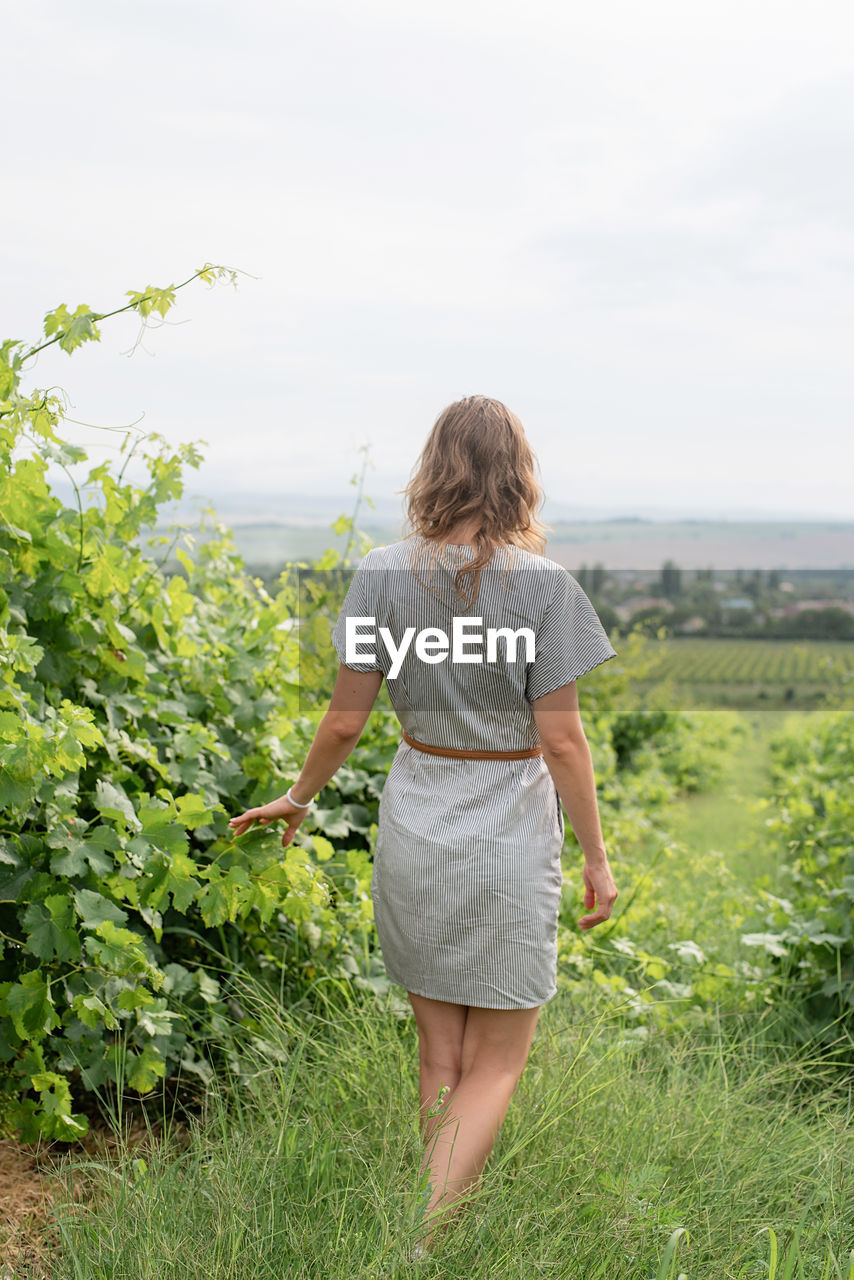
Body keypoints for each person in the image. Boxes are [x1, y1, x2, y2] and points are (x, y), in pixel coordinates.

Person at [228, 395, 619, 1258]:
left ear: (434, 467)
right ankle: (417, 1239)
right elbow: (560, 738)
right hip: (511, 832)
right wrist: (597, 859)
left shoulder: (380, 572)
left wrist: (299, 797)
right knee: (501, 1061)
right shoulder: (548, 589)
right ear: (518, 475)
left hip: (416, 823)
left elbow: (342, 722)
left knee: (441, 1055)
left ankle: (431, 1236)